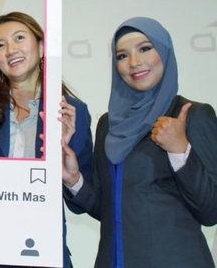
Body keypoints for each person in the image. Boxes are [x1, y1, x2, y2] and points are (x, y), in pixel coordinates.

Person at [62, 17, 217, 267]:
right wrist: (74, 180)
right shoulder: (108, 126)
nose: (134, 63)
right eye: (122, 56)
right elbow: (109, 210)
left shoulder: (193, 116)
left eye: (145, 48)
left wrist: (180, 151)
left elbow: (211, 211)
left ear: (165, 53)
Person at [0, 12, 93, 268]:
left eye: (19, 38)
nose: (10, 50)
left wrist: (72, 178)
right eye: (0, 45)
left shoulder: (71, 111)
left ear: (41, 47)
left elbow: (87, 201)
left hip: (43, 250)